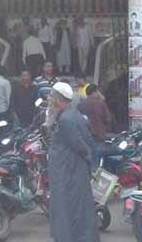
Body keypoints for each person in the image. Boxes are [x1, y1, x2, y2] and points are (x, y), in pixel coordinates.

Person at [47, 82, 99, 242]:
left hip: (69, 171)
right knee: (77, 208)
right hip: (71, 169)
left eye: (51, 96)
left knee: (68, 209)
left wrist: (89, 161)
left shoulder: (66, 119)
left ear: (58, 99)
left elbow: (79, 145)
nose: (49, 100)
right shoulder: (72, 114)